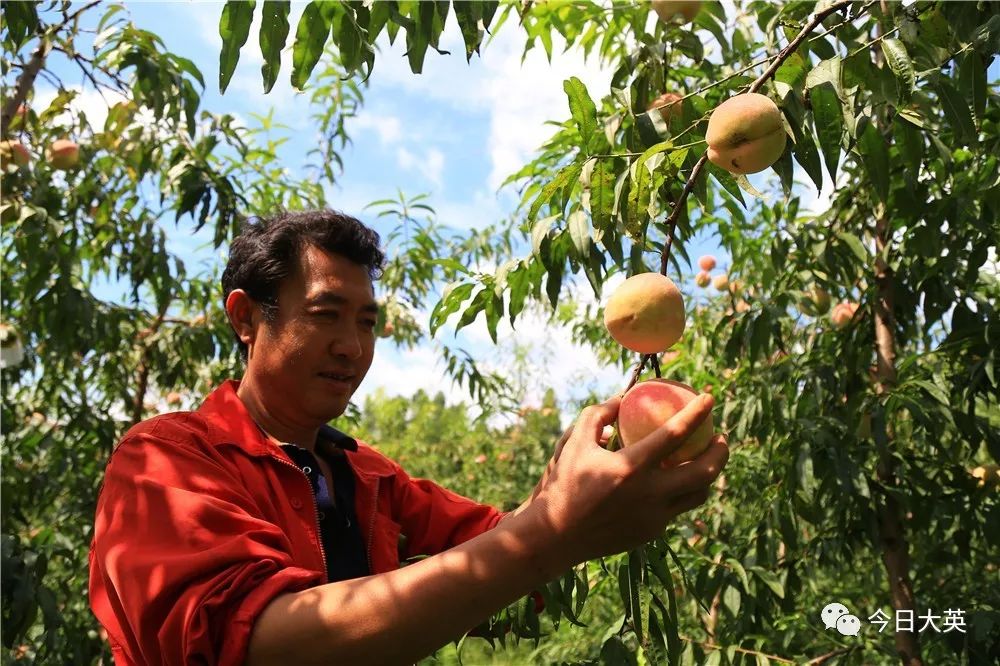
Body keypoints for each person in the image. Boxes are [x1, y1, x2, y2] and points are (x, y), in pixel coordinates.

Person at [88, 209, 729, 665]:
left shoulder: (366, 475)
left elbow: (502, 540)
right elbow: (255, 643)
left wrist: (583, 474)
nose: (351, 346)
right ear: (245, 318)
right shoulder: (163, 460)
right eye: (325, 315)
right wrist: (556, 531)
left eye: (366, 322)